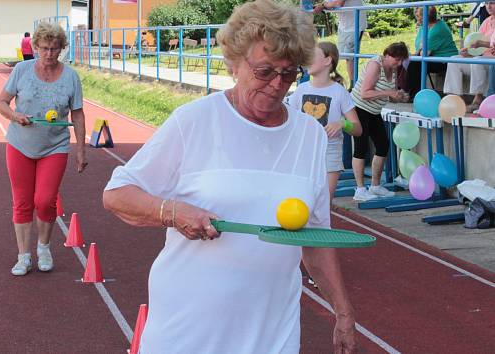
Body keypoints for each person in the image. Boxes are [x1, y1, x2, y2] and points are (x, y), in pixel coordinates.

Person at [103, 1, 357, 353]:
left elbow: (315, 237)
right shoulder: (194, 120)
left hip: (272, 333)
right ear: (235, 63)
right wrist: (173, 213)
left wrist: (343, 313)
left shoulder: (309, 136)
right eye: (265, 71)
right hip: (188, 332)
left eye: (289, 74)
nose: (277, 85)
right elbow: (117, 194)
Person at [0, 22, 87, 276]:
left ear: (61, 49)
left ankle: (44, 248)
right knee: (22, 201)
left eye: (54, 49)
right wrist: (15, 116)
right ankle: (23, 256)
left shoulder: (70, 77)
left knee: (45, 201)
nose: (49, 54)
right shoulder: (22, 70)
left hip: (54, 146)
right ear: (35, 47)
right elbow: (1, 103)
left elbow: (77, 115)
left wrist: (81, 149)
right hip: (20, 145)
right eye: (44, 48)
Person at [289, 42, 362, 205]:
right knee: (301, 203)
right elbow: (288, 119)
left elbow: (358, 129)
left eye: (312, 56)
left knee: (322, 205)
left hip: (329, 153)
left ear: (328, 60)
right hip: (303, 153)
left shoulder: (339, 92)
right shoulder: (301, 90)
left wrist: (343, 124)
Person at [350, 42, 410, 201]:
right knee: (361, 147)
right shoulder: (375, 65)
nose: (398, 63)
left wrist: (398, 96)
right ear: (387, 55)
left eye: (401, 61)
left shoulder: (393, 70)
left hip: (374, 111)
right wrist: (390, 92)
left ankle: (375, 186)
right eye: (396, 60)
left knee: (383, 144)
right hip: (358, 108)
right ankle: (360, 189)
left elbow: (385, 94)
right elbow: (365, 93)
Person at [444, 2, 495, 112]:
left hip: (491, 62)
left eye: (492, 3)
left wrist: (482, 44)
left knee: (477, 61)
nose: (488, 6)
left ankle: (478, 99)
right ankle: (458, 100)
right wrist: (469, 52)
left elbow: (482, 43)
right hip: (482, 59)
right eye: (486, 4)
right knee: (454, 60)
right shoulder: (486, 21)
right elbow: (477, 45)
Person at [403, 6, 458, 100]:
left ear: (426, 17)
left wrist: (419, 51)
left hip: (444, 60)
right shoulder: (424, 27)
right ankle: (402, 92)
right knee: (401, 59)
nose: (417, 18)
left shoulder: (438, 29)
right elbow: (419, 48)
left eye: (418, 16)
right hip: (431, 57)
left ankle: (412, 96)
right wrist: (418, 50)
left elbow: (423, 54)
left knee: (415, 63)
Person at [314, 0, 368, 89]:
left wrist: (322, 5)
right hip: (344, 26)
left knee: (350, 58)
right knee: (343, 56)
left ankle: (354, 86)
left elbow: (338, 3)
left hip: (354, 26)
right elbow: (331, 4)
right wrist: (321, 6)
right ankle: (337, 81)